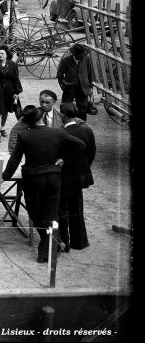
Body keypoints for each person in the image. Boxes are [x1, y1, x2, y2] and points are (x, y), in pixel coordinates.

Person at [1, 106, 86, 263]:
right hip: (54, 178)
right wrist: (65, 160)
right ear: (41, 118)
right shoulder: (57, 132)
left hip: (33, 179)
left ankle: (46, 251)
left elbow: (14, 159)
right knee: (51, 214)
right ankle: (54, 244)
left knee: (35, 213)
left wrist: (4, 177)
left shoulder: (24, 135)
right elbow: (80, 145)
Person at [58, 103, 95, 252]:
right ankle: (79, 242)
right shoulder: (87, 130)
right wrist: (84, 168)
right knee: (77, 207)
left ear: (63, 115)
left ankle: (64, 243)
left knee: (62, 209)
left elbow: (59, 156)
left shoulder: (62, 133)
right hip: (80, 175)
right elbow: (92, 152)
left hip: (65, 175)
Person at [0, 45, 23, 142]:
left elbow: (16, 79)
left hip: (9, 91)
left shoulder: (13, 65)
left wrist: (17, 92)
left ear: (7, 54)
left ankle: (2, 127)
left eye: (2, 53)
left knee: (6, 110)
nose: (0, 55)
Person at [57, 43, 94, 121]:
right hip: (70, 88)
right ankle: (65, 123)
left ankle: (81, 124)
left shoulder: (86, 58)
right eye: (78, 57)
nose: (80, 58)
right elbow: (59, 75)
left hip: (83, 87)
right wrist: (65, 84)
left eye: (82, 56)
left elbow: (90, 72)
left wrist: (90, 87)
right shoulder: (66, 61)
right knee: (66, 106)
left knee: (82, 108)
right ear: (74, 54)